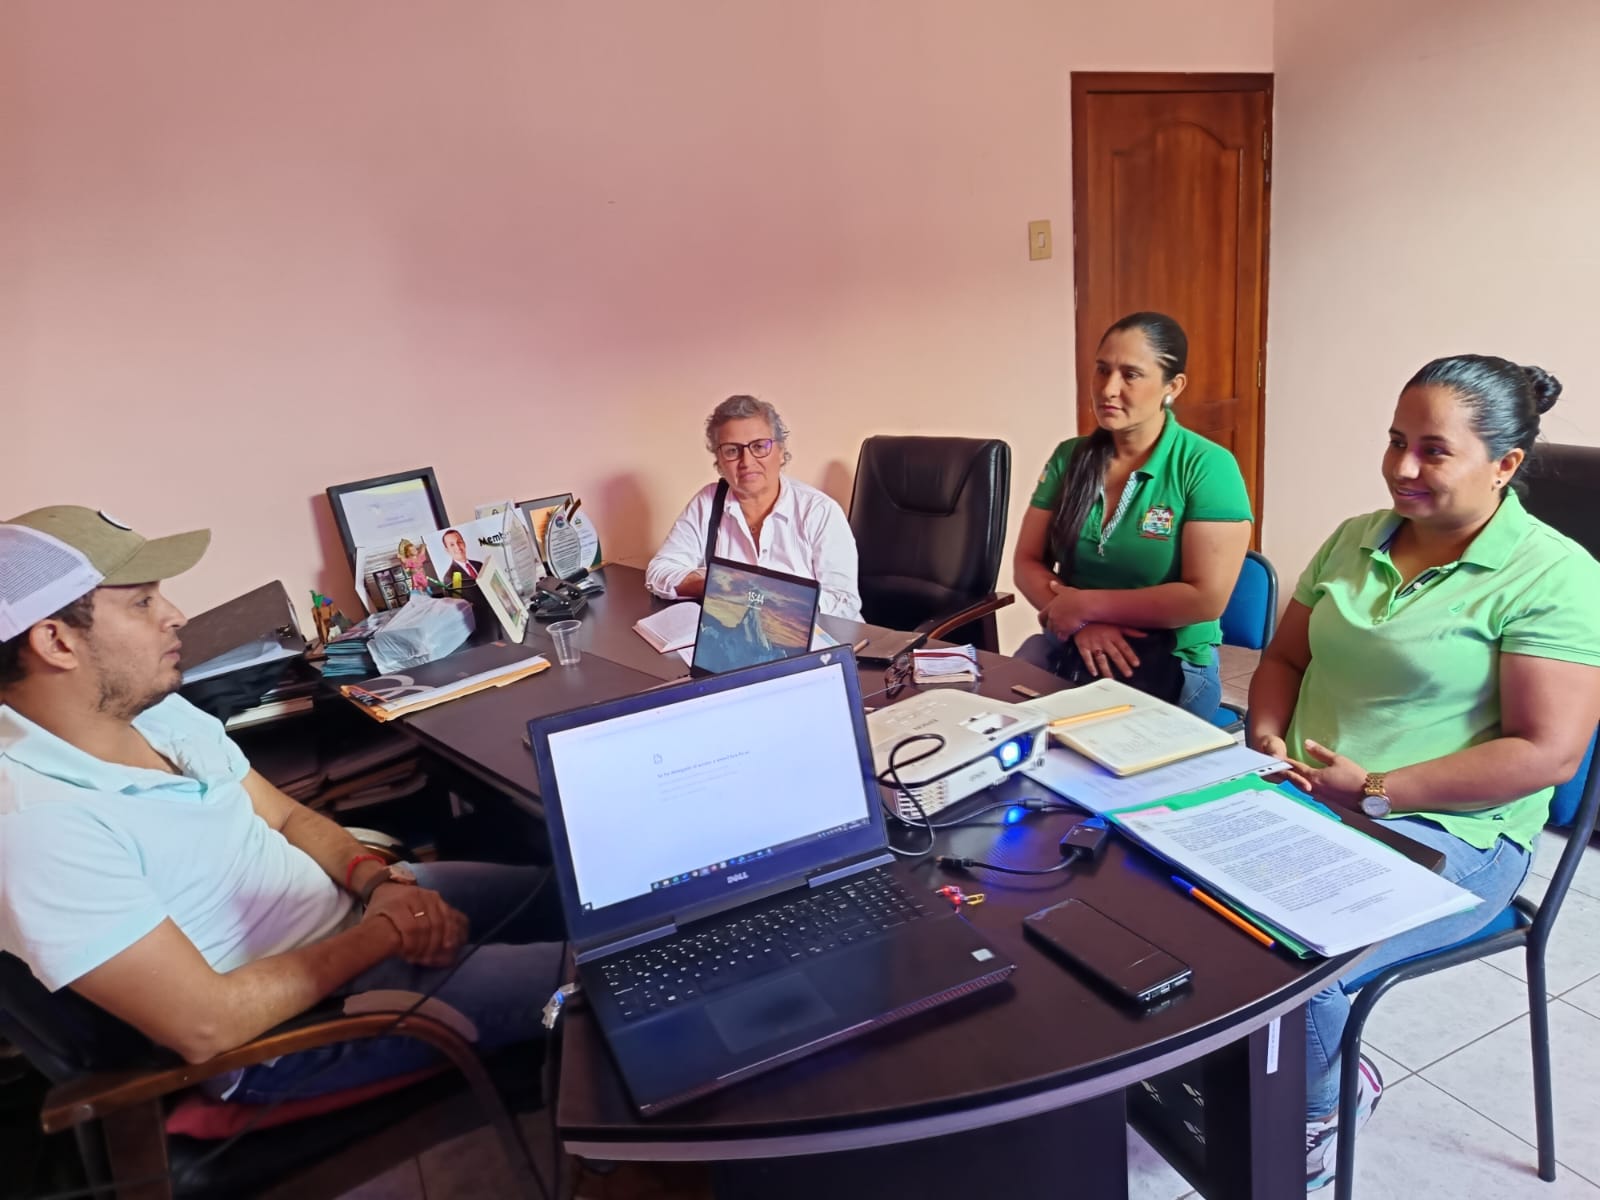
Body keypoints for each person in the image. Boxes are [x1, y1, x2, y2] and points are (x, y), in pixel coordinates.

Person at [0, 507, 561, 1102]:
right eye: (141, 603)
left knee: (576, 897)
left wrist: (379, 885)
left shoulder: (152, 711)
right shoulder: (34, 822)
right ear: (56, 641)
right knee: (609, 971)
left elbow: (287, 816)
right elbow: (205, 1025)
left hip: (356, 912)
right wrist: (386, 933)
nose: (175, 615)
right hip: (302, 1020)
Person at [1240, 357, 1600, 1192]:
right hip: (1306, 796)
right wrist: (1264, 735)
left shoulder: (1555, 576)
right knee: (1164, 883)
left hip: (1451, 831)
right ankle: (1236, 1066)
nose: (1402, 467)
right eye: (1396, 440)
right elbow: (1284, 659)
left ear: (1505, 464)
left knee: (1294, 959)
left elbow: (1548, 754)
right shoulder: (1354, 537)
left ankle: (1326, 1103)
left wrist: (1375, 789)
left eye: (1433, 450)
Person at [1013, 312, 1253, 716]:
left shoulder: (1207, 466)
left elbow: (1205, 598)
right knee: (1001, 721)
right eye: (1102, 370)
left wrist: (1087, 607)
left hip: (1168, 660)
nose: (1108, 388)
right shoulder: (1069, 457)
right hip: (1072, 644)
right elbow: (1027, 561)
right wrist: (1083, 626)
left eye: (1131, 375)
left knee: (1098, 745)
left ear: (1172, 386)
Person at [646, 394, 862, 620]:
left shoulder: (819, 511)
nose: (746, 462)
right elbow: (659, 572)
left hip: (817, 635)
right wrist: (714, 584)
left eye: (759, 446)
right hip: (738, 634)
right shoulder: (707, 502)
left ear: (781, 451)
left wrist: (756, 596)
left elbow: (844, 602)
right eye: (732, 450)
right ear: (719, 461)